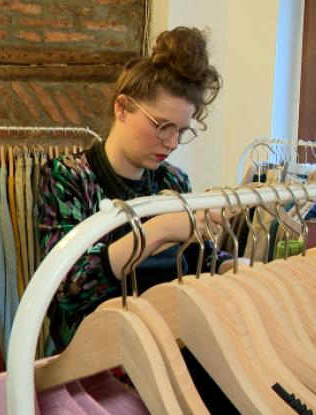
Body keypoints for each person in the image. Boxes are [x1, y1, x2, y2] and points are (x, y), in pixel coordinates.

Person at [37, 26, 232, 353]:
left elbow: (198, 257)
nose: (172, 143)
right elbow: (68, 288)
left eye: (181, 131)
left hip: (164, 347)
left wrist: (236, 266)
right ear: (122, 107)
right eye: (163, 126)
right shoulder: (68, 177)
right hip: (92, 359)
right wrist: (159, 230)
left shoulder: (174, 181)